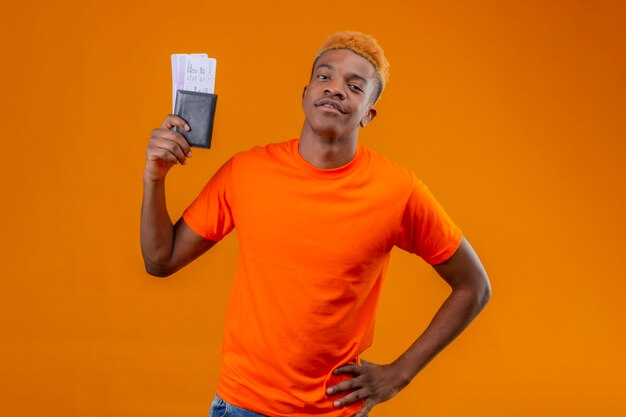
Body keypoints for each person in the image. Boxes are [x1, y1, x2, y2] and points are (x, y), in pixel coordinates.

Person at [140, 31, 491, 417]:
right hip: (243, 406)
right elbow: (161, 260)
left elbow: (474, 286)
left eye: (354, 86)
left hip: (335, 411)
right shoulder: (246, 172)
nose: (336, 89)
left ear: (368, 113)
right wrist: (155, 179)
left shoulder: (399, 191)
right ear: (305, 94)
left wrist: (399, 374)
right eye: (325, 77)